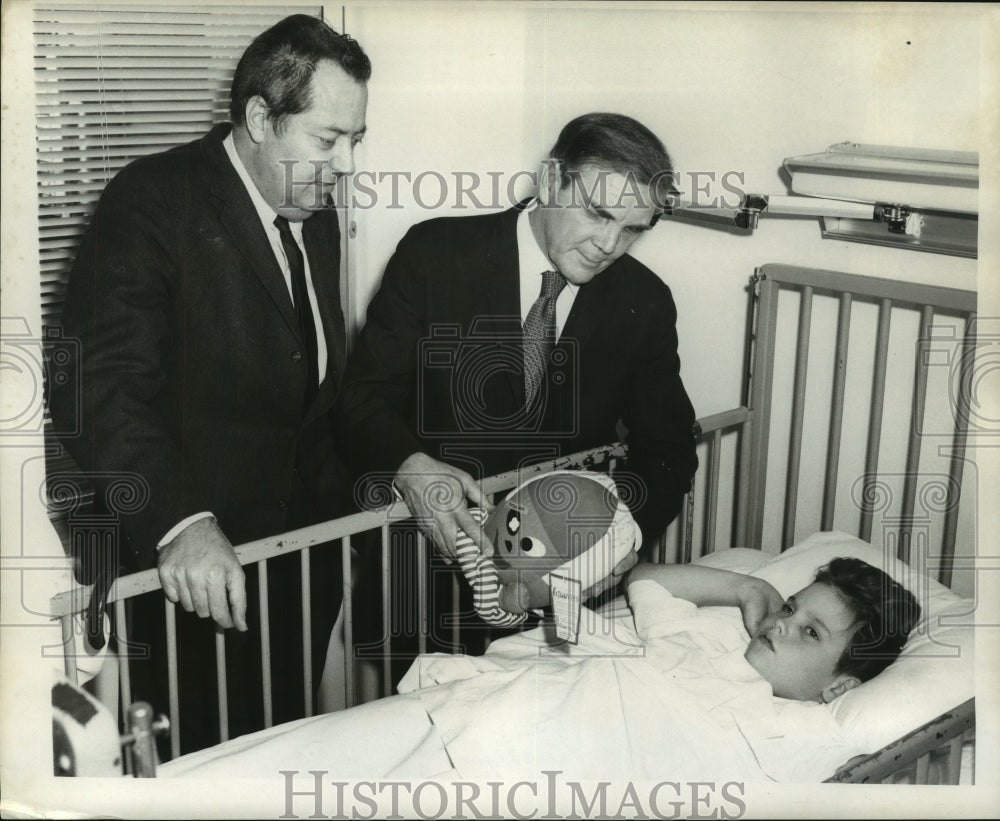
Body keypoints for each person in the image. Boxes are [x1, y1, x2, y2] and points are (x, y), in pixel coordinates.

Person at [49, 14, 370, 752]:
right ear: (261, 117)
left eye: (356, 139)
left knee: (284, 750)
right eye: (328, 139)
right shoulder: (154, 200)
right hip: (193, 582)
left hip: (296, 568)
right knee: (205, 769)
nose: (346, 164)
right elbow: (99, 383)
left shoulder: (312, 215)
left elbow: (313, 395)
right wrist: (181, 524)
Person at [336, 113, 698, 650]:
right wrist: (407, 463)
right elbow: (363, 397)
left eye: (631, 230)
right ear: (551, 180)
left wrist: (618, 536)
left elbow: (669, 449)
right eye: (599, 214)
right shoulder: (435, 255)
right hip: (427, 583)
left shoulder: (642, 302)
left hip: (561, 596)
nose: (608, 244)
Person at [627, 556, 921, 702]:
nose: (781, 623)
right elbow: (643, 578)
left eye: (811, 632)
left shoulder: (804, 730)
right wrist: (749, 588)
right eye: (790, 608)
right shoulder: (712, 637)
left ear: (839, 686)